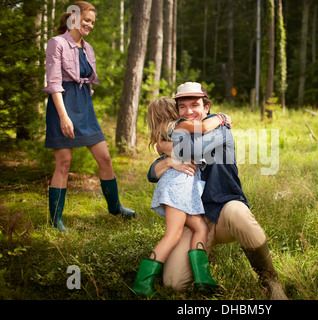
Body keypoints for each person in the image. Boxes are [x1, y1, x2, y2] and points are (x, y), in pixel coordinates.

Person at [147, 82, 288, 300]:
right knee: (174, 283)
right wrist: (170, 162)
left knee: (238, 212)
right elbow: (152, 173)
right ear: (177, 112)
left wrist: (165, 148)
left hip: (224, 213)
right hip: (194, 221)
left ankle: (270, 281)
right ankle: (202, 261)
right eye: (182, 107)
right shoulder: (179, 133)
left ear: (206, 108)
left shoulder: (221, 131)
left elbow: (194, 150)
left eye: (195, 105)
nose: (189, 111)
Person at [42, 1, 135, 232]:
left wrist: (86, 106)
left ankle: (115, 207)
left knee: (104, 157)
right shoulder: (57, 43)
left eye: (92, 22)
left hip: (84, 106)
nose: (90, 25)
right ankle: (55, 221)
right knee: (64, 163)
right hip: (62, 105)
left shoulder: (88, 48)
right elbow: (53, 83)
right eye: (86, 20)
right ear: (74, 18)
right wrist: (64, 117)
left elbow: (87, 81)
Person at [133, 97, 232, 297]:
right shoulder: (178, 126)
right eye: (179, 107)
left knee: (200, 227)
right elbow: (203, 127)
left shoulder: (165, 133)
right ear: (173, 111)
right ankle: (141, 284)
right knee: (173, 235)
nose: (185, 111)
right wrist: (222, 118)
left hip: (180, 189)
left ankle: (203, 278)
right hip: (178, 187)